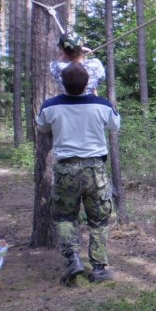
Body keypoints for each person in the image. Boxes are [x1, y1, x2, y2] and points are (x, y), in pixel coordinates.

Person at [36, 62, 120, 284]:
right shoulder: (101, 104)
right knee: (99, 220)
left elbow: (42, 127)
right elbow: (115, 125)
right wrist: (98, 97)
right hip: (95, 170)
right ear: (88, 84)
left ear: (62, 84)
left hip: (66, 169)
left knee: (65, 217)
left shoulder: (50, 106)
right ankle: (99, 268)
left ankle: (73, 259)